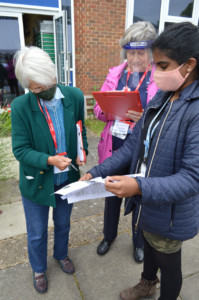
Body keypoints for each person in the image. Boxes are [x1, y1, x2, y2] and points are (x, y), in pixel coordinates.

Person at [81, 22, 199, 300]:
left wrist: (138, 187)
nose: (155, 72)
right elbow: (133, 145)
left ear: (189, 65)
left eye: (162, 65)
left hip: (170, 214)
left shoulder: (195, 111)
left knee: (168, 263)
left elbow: (192, 178)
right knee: (148, 246)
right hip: (147, 203)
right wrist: (96, 171)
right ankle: (147, 283)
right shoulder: (164, 96)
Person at [11, 46, 88, 294]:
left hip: (67, 179)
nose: (42, 91)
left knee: (64, 223)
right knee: (36, 232)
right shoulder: (21, 106)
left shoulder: (74, 96)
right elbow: (20, 150)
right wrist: (49, 160)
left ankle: (61, 254)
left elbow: (80, 128)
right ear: (27, 85)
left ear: (54, 75)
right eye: (36, 88)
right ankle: (39, 268)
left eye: (46, 84)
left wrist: (81, 151)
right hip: (37, 181)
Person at [94, 21, 158, 262]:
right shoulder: (116, 73)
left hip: (143, 150)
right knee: (111, 195)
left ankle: (138, 241)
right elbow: (99, 112)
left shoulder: (158, 76)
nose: (135, 58)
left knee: (138, 196)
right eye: (131, 52)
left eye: (141, 52)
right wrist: (112, 111)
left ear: (151, 52)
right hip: (115, 146)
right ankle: (108, 236)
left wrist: (146, 118)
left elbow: (165, 115)